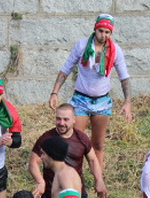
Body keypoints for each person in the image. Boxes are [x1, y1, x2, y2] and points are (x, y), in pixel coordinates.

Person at [49, 13, 132, 169]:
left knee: (98, 144)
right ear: (95, 29)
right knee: (75, 141)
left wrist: (128, 103)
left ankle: (98, 181)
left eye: (107, 32)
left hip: (102, 102)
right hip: (81, 100)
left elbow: (124, 78)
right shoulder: (81, 45)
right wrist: (55, 92)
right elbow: (66, 69)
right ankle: (72, 177)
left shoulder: (115, 51)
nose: (103, 35)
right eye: (101, 31)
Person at [29, 103, 106, 198]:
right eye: (58, 119)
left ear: (74, 120)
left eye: (66, 119)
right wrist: (40, 182)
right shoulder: (47, 138)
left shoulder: (81, 138)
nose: (61, 123)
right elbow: (34, 162)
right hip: (52, 194)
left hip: (77, 193)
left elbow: (92, 160)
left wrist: (99, 180)